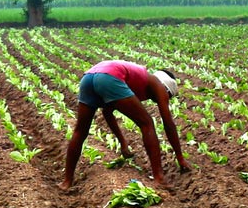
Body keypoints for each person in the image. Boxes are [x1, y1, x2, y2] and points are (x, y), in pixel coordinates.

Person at [63, 61, 188, 189]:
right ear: (167, 89)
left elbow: (107, 111)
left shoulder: (136, 81)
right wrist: (180, 158)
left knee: (80, 131)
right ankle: (159, 178)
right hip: (108, 77)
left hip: (88, 77)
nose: (164, 99)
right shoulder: (158, 85)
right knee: (147, 123)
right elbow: (168, 124)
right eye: (168, 96)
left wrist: (123, 143)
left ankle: (67, 181)